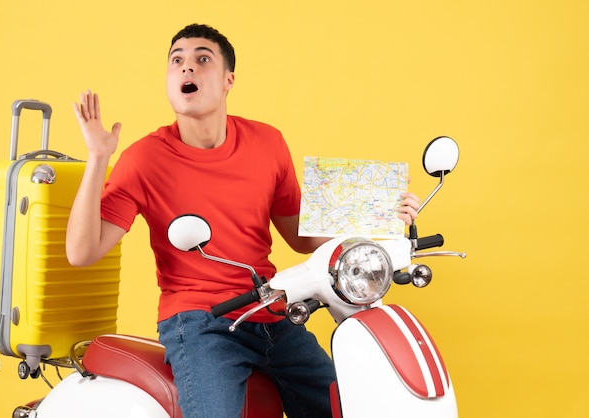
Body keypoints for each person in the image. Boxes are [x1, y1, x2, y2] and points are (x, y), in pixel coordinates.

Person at [66, 23, 420, 418]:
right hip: (200, 322)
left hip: (273, 310)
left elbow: (301, 235)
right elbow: (82, 252)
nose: (187, 69)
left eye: (202, 60)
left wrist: (384, 218)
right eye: (177, 61)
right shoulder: (143, 159)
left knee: (345, 406)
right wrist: (98, 159)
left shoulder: (267, 143)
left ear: (227, 80)